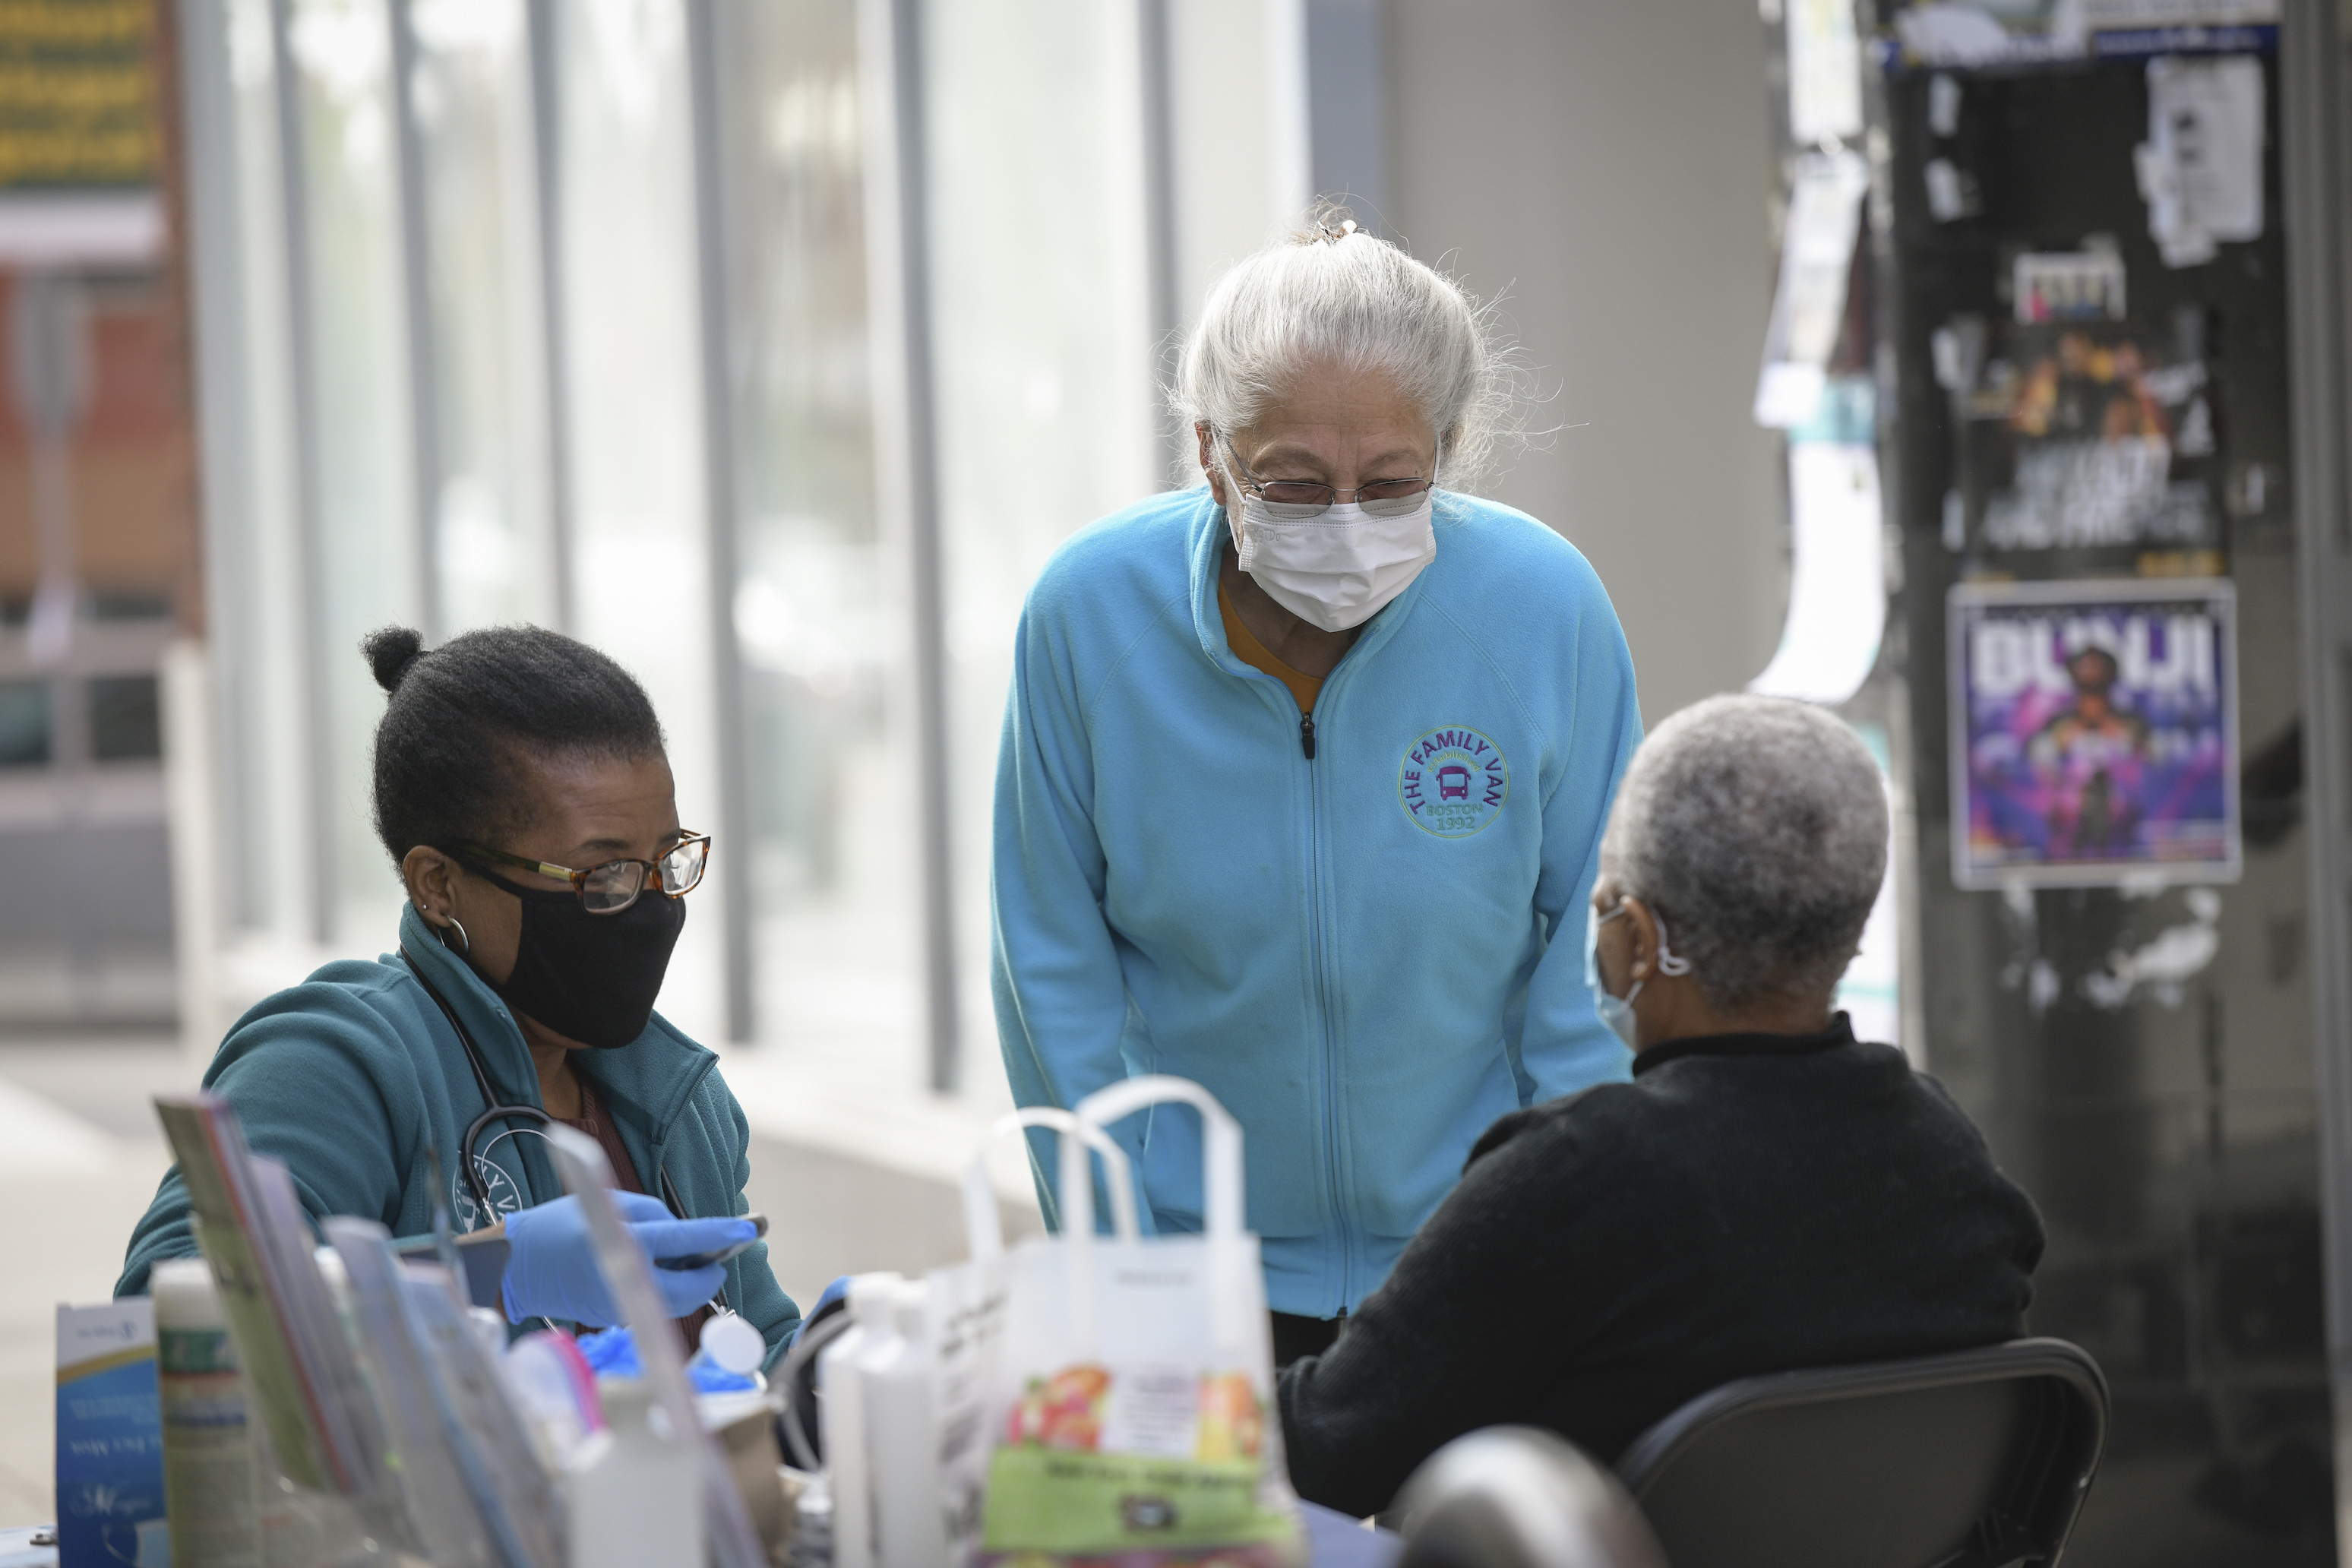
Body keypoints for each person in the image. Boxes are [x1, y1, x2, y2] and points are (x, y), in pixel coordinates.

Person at [991, 212, 1643, 1364]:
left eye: (1394, 483)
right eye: (1291, 486)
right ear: (1209, 452)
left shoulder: (1546, 607)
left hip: (1481, 1251)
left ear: (1448, 448)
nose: (1346, 524)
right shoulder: (1089, 616)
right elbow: (1051, 963)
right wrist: (1120, 1256)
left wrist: (1559, 1222)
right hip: (1192, 1268)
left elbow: (1587, 958)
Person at [1277, 695, 2045, 1517]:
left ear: (1638, 940)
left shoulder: (1577, 1179)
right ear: (1844, 926)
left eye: (1603, 907)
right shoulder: (1951, 1164)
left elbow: (1323, 1457)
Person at [120, 627, 800, 1364]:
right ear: (438, 885)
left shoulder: (676, 1094)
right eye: (601, 877)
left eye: (666, 860)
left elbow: (756, 1349)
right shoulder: (338, 1059)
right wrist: (489, 1272)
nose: (649, 905)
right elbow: (169, 1319)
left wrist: (826, 1363)